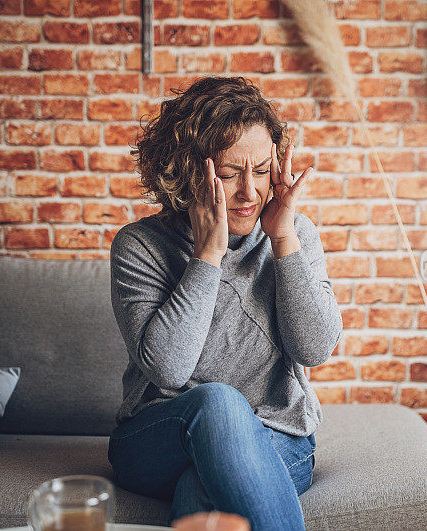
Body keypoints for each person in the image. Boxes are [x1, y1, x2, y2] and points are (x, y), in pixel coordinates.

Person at [107, 76, 343, 531]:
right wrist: (208, 255)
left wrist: (284, 239)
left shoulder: (294, 234)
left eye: (260, 171)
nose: (250, 192)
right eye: (231, 174)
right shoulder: (139, 246)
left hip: (276, 437)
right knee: (216, 402)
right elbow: (170, 370)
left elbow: (314, 350)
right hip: (159, 438)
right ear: (189, 170)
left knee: (205, 486)